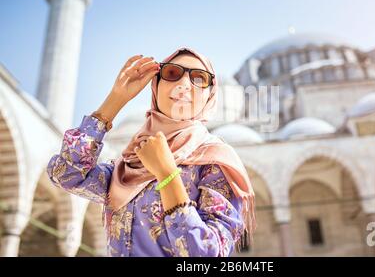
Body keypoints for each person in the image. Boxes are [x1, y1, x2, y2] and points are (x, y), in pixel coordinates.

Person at [47, 47, 256, 257]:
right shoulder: (129, 163)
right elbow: (66, 175)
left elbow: (210, 254)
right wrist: (116, 99)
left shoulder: (215, 160)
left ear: (210, 94)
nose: (184, 84)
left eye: (199, 78)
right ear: (156, 85)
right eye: (172, 73)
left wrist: (167, 174)